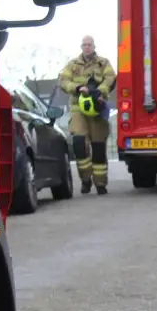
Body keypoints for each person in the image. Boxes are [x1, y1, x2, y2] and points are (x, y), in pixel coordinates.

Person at [59, 35, 116, 195]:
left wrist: (101, 90)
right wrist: (78, 88)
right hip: (79, 110)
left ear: (94, 46)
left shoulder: (103, 63)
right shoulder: (72, 65)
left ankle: (100, 183)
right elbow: (63, 81)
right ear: (81, 47)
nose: (87, 48)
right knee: (79, 144)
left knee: (98, 147)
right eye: (84, 45)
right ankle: (85, 180)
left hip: (97, 110)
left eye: (89, 45)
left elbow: (111, 77)